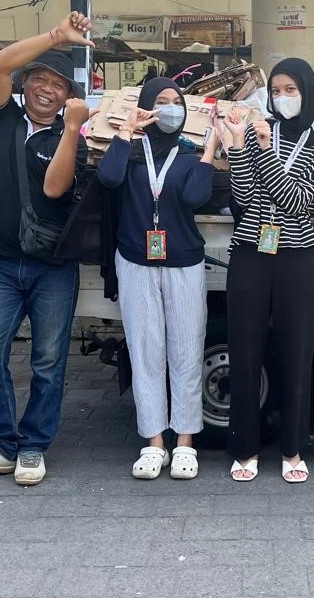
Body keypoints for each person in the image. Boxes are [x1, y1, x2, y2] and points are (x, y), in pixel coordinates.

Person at [0, 12, 92, 486]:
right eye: (39, 79)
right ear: (26, 83)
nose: (46, 89)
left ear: (69, 96)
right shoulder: (1, 119)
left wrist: (71, 130)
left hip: (53, 266)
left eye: (57, 84)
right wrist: (57, 37)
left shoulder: (71, 135)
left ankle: (33, 447)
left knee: (48, 362)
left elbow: (55, 190)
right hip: (3, 263)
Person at [96, 77, 220, 480]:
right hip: (135, 260)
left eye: (175, 102)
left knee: (186, 350)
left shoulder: (188, 157)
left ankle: (185, 441)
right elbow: (109, 178)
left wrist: (210, 152)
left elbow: (196, 197)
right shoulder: (129, 154)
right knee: (145, 351)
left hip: (184, 262)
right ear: (146, 107)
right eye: (161, 101)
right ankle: (153, 442)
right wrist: (126, 131)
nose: (169, 108)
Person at [216, 57, 314, 484]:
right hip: (250, 250)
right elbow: (244, 198)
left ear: (307, 93)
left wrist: (264, 152)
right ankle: (244, 447)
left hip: (297, 257)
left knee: (297, 353)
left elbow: (298, 202)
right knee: (245, 351)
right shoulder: (253, 128)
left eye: (291, 90)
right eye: (277, 90)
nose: (283, 98)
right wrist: (237, 145)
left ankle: (291, 447)